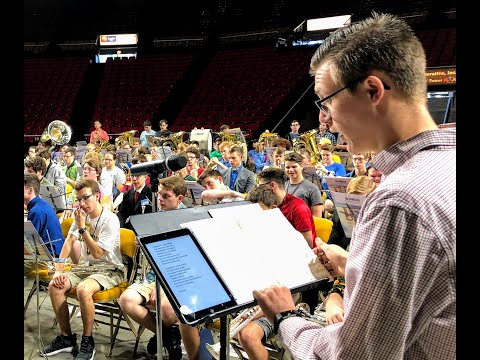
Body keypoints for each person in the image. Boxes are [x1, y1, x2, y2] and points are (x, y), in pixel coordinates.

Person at [252, 13, 455, 360]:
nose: (324, 119)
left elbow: (355, 355)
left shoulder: (400, 200)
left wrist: (287, 316)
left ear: (373, 90)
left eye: (326, 101)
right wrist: (354, 266)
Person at [42, 179, 125, 360]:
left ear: (97, 196)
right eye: (78, 199)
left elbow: (97, 253)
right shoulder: (82, 215)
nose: (81, 203)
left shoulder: (110, 219)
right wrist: (59, 269)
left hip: (110, 269)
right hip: (86, 268)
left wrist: (82, 229)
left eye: (85, 198)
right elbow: (69, 242)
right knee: (55, 286)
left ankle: (88, 341)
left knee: (83, 289)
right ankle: (66, 337)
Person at [118, 176, 190, 360]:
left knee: (165, 307)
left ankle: (162, 335)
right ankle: (167, 336)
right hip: (154, 274)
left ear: (180, 199)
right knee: (126, 300)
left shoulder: (188, 220)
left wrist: (162, 285)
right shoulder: (155, 216)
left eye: (166, 196)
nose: (160, 200)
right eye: (160, 195)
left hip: (179, 278)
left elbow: (184, 260)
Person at [24, 173, 65, 261]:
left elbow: (29, 244)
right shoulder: (43, 204)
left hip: (51, 257)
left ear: (30, 190)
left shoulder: (35, 212)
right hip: (59, 252)